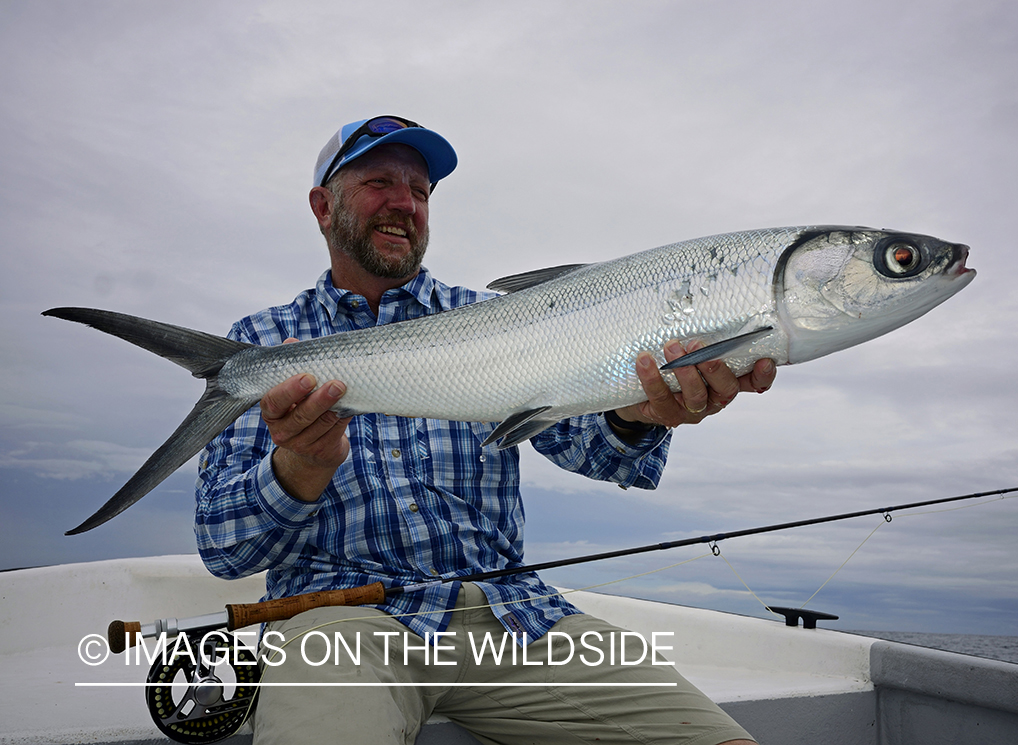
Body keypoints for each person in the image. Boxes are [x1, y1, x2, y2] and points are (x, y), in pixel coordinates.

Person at [196, 115, 776, 745]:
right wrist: (299, 471)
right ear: (322, 205)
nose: (404, 205)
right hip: (339, 623)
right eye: (379, 182)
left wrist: (637, 411)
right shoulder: (261, 345)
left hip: (516, 617)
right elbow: (226, 551)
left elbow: (598, 452)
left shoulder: (498, 319)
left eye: (420, 192)